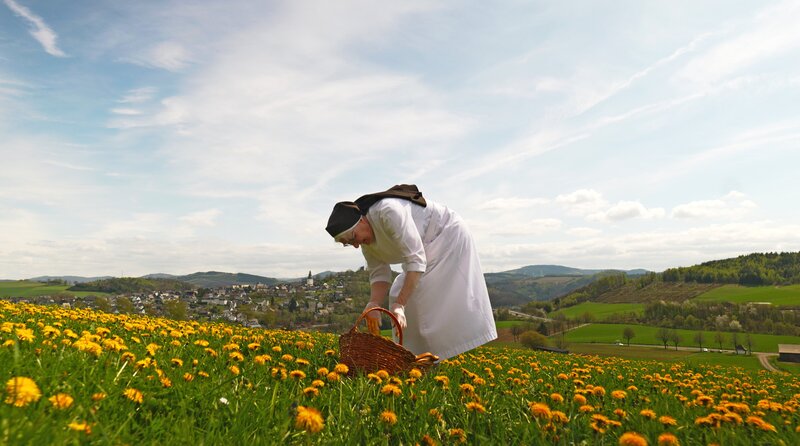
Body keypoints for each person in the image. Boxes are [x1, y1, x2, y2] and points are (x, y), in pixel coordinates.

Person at [325, 184, 497, 361]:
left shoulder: (388, 212)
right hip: (426, 248)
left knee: (415, 296)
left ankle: (428, 359)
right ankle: (413, 360)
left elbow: (416, 261)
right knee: (402, 296)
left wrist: (400, 304)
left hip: (447, 235)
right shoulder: (365, 240)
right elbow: (379, 273)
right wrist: (373, 303)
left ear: (361, 220)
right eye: (349, 243)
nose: (356, 245)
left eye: (353, 238)